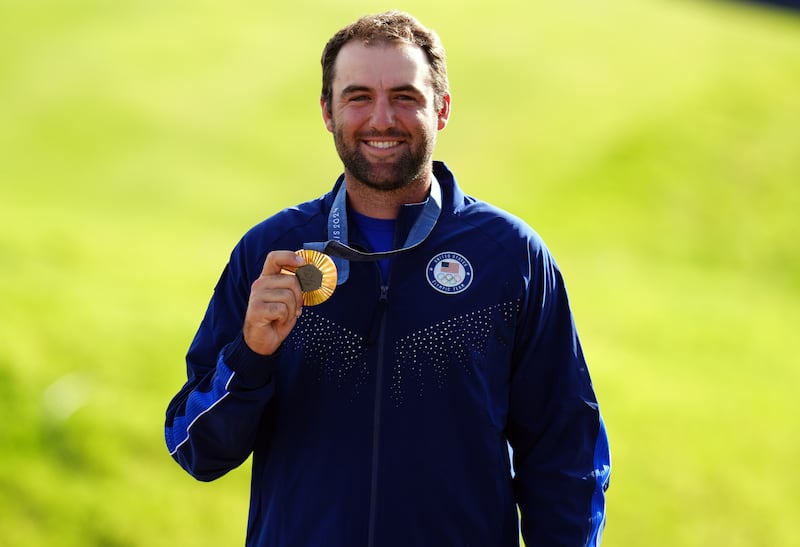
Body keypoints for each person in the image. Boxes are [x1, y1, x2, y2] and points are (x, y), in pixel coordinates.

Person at [165, 10, 610, 547]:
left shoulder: (510, 257)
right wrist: (252, 354)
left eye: (405, 96)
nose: (381, 119)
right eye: (357, 98)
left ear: (441, 109)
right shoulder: (268, 253)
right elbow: (196, 449)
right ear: (328, 112)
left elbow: (566, 455)